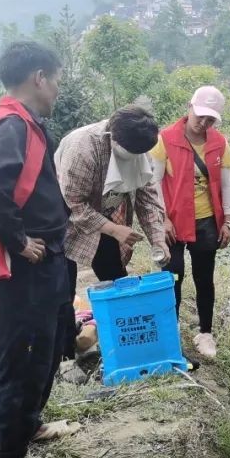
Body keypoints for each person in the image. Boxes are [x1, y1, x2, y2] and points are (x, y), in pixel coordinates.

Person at [0, 41, 76, 458]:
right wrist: (18, 240)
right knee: (20, 354)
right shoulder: (12, 125)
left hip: (47, 262)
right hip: (25, 268)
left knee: (48, 347)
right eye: (54, 80)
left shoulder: (27, 125)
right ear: (39, 77)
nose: (56, 90)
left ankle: (27, 424)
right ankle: (5, 456)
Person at [54, 105, 170, 359]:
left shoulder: (141, 145)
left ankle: (127, 342)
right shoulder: (84, 150)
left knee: (116, 277)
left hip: (104, 211)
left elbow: (148, 198)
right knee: (64, 285)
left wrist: (158, 240)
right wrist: (113, 229)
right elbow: (73, 203)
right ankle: (65, 356)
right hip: (65, 215)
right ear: (113, 139)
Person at [151, 86, 230, 359]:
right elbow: (154, 183)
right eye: (200, 116)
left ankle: (205, 333)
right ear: (190, 107)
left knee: (204, 277)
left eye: (210, 119)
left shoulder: (219, 142)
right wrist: (161, 219)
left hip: (206, 222)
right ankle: (171, 330)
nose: (203, 123)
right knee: (172, 275)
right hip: (173, 222)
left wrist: (229, 220)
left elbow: (226, 184)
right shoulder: (165, 138)